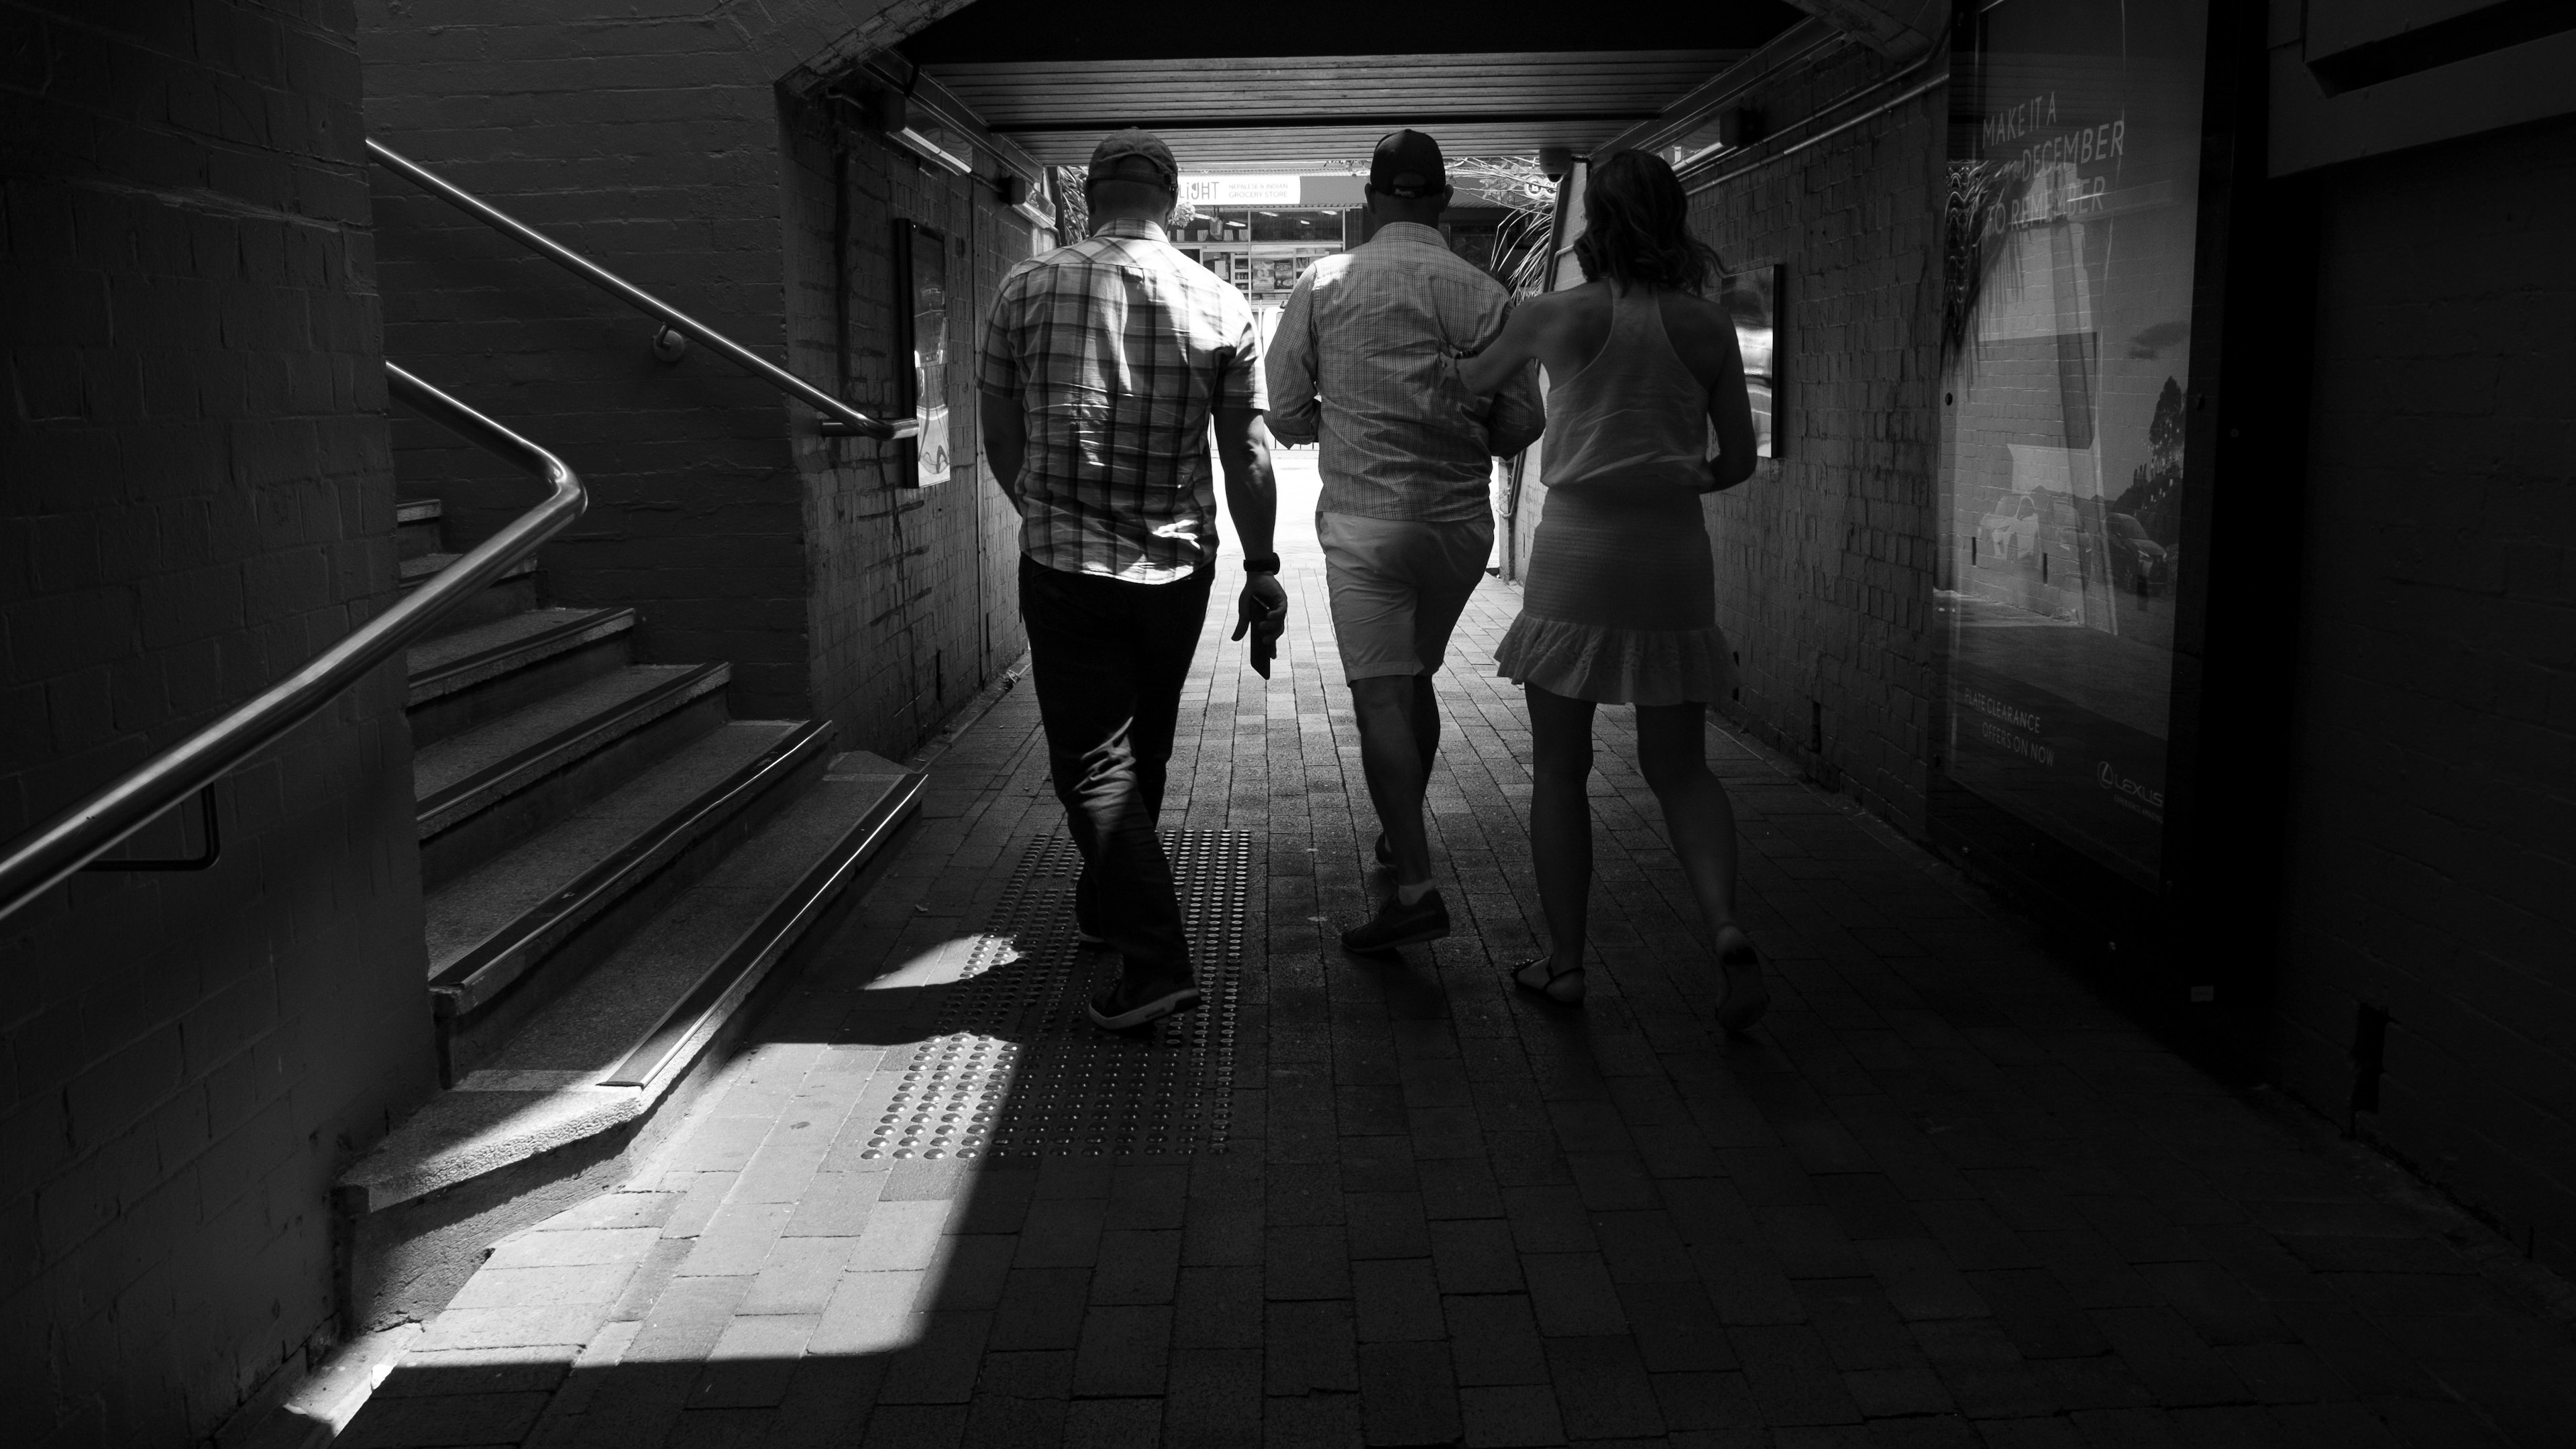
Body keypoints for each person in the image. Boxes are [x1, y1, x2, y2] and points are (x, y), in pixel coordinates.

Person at [979, 128, 1287, 1031]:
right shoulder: (1219, 300)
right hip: (1179, 568)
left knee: (1093, 762)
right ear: (1174, 201)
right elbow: (1249, 451)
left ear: (1089, 195)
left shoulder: (1027, 286)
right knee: (1137, 747)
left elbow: (999, 426)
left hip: (1067, 565)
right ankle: (1107, 903)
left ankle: (1153, 962)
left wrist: (1037, 509)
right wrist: (1263, 566)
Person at [1455, 149, 1769, 1031]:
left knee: (1561, 769)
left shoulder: (1552, 313)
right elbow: (1737, 462)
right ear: (1674, 221)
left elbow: (1469, 383)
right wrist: (1665, 476)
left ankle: (1566, 966)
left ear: (1596, 226)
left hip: (1579, 554)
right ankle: (1726, 925)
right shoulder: (1706, 327)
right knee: (1682, 768)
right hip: (1673, 556)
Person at [1266, 129, 1544, 953]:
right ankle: (1400, 833)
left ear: (1371, 201)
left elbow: (1282, 412)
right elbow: (1522, 420)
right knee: (1413, 676)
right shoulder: (1485, 292)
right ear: (1445, 203)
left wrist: (1340, 421)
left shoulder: (1324, 282)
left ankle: (1416, 887)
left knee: (1381, 694)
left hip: (1367, 525)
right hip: (1459, 528)